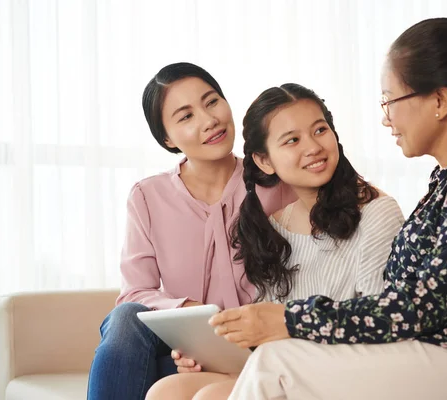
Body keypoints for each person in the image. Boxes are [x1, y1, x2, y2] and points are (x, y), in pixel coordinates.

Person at [210, 7, 447, 400]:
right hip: (443, 355)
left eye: (390, 100)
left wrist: (290, 318)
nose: (386, 118)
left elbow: (419, 306)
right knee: (273, 360)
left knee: (277, 364)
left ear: (438, 100)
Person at [145, 83, 404, 400]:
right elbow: (268, 334)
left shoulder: (377, 212)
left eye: (320, 130)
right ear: (265, 161)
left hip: (343, 372)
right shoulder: (273, 227)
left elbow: (379, 318)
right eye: (292, 140)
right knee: (166, 391)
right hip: (282, 369)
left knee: (208, 397)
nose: (312, 147)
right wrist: (211, 356)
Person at [86, 62, 294, 400]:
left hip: (260, 351)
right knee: (126, 318)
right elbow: (135, 293)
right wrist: (185, 311)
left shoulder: (275, 182)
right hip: (185, 356)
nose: (209, 120)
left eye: (212, 102)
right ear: (167, 138)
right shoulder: (147, 197)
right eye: (186, 116)